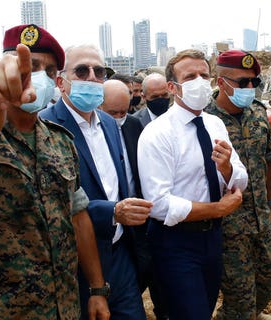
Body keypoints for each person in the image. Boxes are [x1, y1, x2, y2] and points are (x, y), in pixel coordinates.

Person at [0, 24, 109, 319]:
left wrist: (97, 289)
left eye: (48, 69)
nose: (38, 76)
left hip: (62, 307)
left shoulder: (61, 141)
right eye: (30, 66)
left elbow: (78, 215)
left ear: (58, 80)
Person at [40, 44, 150, 320]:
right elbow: (53, 202)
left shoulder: (110, 123)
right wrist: (112, 211)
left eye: (99, 71)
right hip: (74, 264)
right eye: (81, 70)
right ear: (60, 81)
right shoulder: (45, 128)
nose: (91, 77)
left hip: (120, 253)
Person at [137, 49, 248, 319]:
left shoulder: (215, 124)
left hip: (212, 239)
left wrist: (227, 168)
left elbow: (240, 178)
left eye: (204, 75)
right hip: (175, 242)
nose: (199, 81)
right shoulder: (158, 133)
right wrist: (218, 209)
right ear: (173, 87)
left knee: (205, 308)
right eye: (190, 76)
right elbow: (160, 205)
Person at [205, 50, 271, 320]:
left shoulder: (258, 114)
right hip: (227, 228)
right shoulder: (203, 118)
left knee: (265, 287)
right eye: (242, 82)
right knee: (241, 300)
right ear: (221, 82)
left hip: (261, 221)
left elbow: (269, 161)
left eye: (254, 82)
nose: (250, 88)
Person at [99, 79, 169, 319]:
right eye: (112, 113)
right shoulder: (90, 133)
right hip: (105, 228)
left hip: (138, 223)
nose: (119, 118)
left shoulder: (134, 125)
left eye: (123, 111)